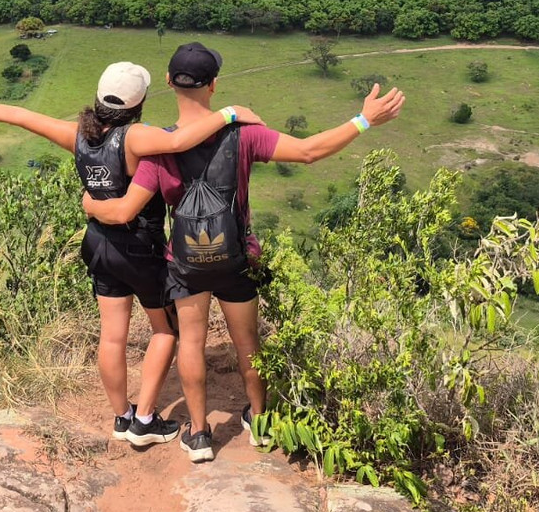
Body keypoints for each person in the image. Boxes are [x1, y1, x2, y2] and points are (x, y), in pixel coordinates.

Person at [0, 62, 263, 446]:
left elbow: (19, 116)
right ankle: (144, 420)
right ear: (138, 103)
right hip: (139, 249)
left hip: (97, 245)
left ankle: (122, 417)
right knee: (166, 330)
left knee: (111, 337)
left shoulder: (77, 136)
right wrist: (229, 113)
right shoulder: (136, 138)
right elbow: (179, 142)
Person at [83, 42, 405, 462]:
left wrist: (91, 204)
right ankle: (260, 421)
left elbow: (125, 209)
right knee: (247, 341)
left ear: (167, 82)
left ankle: (199, 435)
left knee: (192, 344)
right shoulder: (244, 135)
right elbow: (309, 151)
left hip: (185, 264)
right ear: (214, 84)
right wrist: (365, 119)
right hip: (236, 257)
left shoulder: (159, 148)